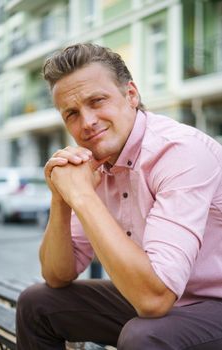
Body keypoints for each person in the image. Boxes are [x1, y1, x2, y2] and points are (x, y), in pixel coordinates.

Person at [16, 43, 222, 350]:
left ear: (131, 95)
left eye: (97, 101)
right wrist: (61, 199)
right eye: (72, 113)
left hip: (212, 301)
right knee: (37, 303)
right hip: (156, 297)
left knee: (144, 335)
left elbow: (154, 300)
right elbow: (57, 274)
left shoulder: (179, 152)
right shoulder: (94, 164)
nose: (87, 122)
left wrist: (83, 196)